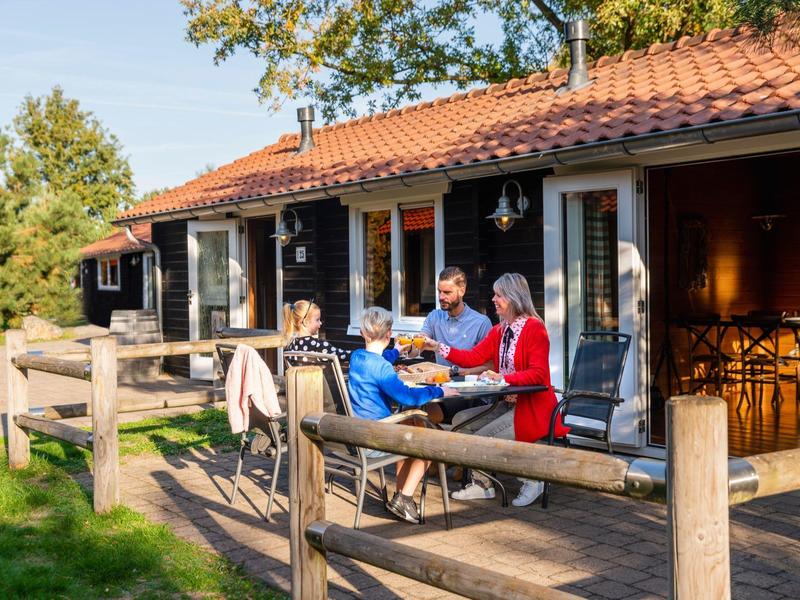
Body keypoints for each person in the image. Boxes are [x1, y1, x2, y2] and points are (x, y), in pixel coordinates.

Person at [426, 273, 570, 507]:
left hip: (532, 408)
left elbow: (538, 374)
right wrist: (438, 346)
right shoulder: (500, 330)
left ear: (513, 298)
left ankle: (533, 480)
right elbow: (472, 356)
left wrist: (502, 377)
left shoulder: (535, 328)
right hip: (507, 403)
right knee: (461, 421)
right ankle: (483, 485)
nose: (493, 299)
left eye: (498, 295)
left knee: (482, 438)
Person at [348, 307, 459, 523]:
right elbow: (407, 397)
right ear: (389, 334)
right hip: (374, 439)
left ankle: (399, 496)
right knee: (430, 441)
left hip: (356, 433)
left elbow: (379, 359)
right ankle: (405, 498)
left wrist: (396, 351)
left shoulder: (357, 357)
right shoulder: (382, 369)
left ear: (363, 332)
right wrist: (439, 390)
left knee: (414, 422)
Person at [416, 267, 492, 424]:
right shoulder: (435, 316)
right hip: (441, 387)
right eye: (439, 292)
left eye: (447, 292)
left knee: (425, 409)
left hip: (470, 392)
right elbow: (420, 342)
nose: (441, 297)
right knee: (409, 402)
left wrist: (462, 372)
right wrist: (415, 342)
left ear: (461, 291)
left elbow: (490, 366)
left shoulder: (481, 323)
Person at [283, 299, 401, 363]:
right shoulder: (317, 345)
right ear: (305, 322)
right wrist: (391, 351)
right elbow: (347, 355)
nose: (320, 323)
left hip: (301, 393)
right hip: (322, 395)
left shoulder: (291, 344)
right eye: (317, 320)